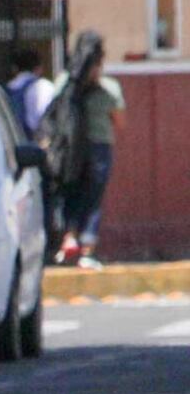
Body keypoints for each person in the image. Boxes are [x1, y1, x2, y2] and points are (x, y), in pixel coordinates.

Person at [53, 39, 124, 269]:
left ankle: (68, 240)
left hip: (70, 149)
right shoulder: (109, 88)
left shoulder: (65, 83)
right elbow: (120, 121)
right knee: (93, 197)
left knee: (71, 193)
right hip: (99, 148)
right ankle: (87, 250)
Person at [6, 48, 55, 140]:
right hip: (36, 145)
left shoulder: (5, 90)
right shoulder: (44, 86)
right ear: (39, 68)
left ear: (14, 69)